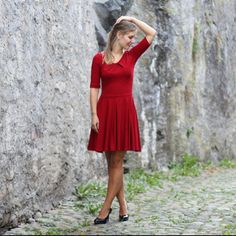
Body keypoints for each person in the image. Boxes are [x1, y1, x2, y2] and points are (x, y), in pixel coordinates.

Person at [87, 16, 157, 224]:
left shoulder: (132, 56)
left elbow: (151, 33)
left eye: (134, 37)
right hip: (106, 111)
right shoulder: (98, 58)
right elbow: (94, 87)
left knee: (117, 162)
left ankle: (105, 209)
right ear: (118, 35)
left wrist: (131, 19)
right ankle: (123, 207)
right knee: (112, 164)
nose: (133, 41)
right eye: (130, 36)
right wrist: (93, 114)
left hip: (125, 111)